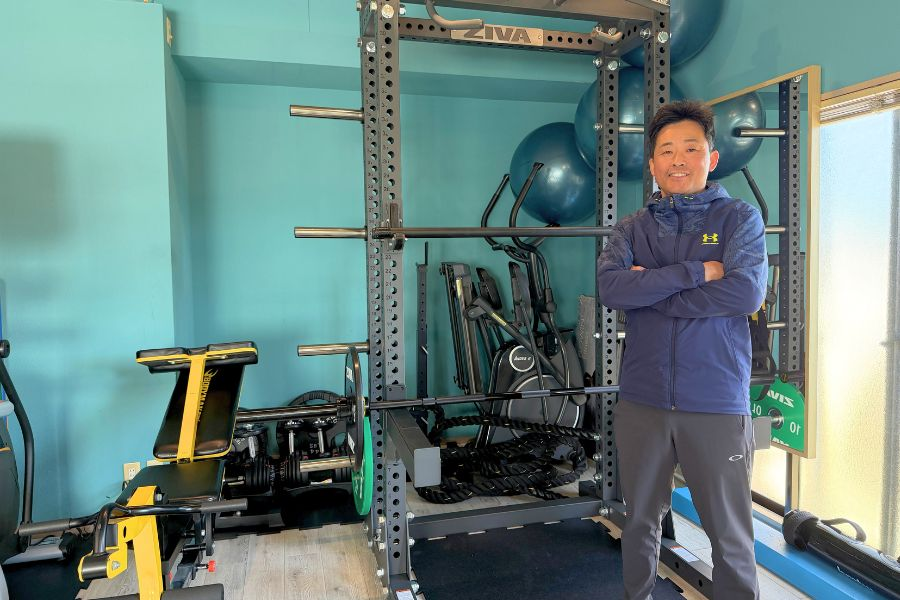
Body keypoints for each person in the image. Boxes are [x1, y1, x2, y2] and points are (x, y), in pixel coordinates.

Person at [597, 99, 768, 600]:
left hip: (714, 400)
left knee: (729, 537)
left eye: (690, 148)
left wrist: (653, 292)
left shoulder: (739, 219)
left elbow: (745, 293)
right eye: (667, 150)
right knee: (639, 523)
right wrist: (697, 272)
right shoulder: (631, 228)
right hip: (642, 400)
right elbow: (612, 289)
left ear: (711, 158)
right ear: (652, 164)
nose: (678, 160)